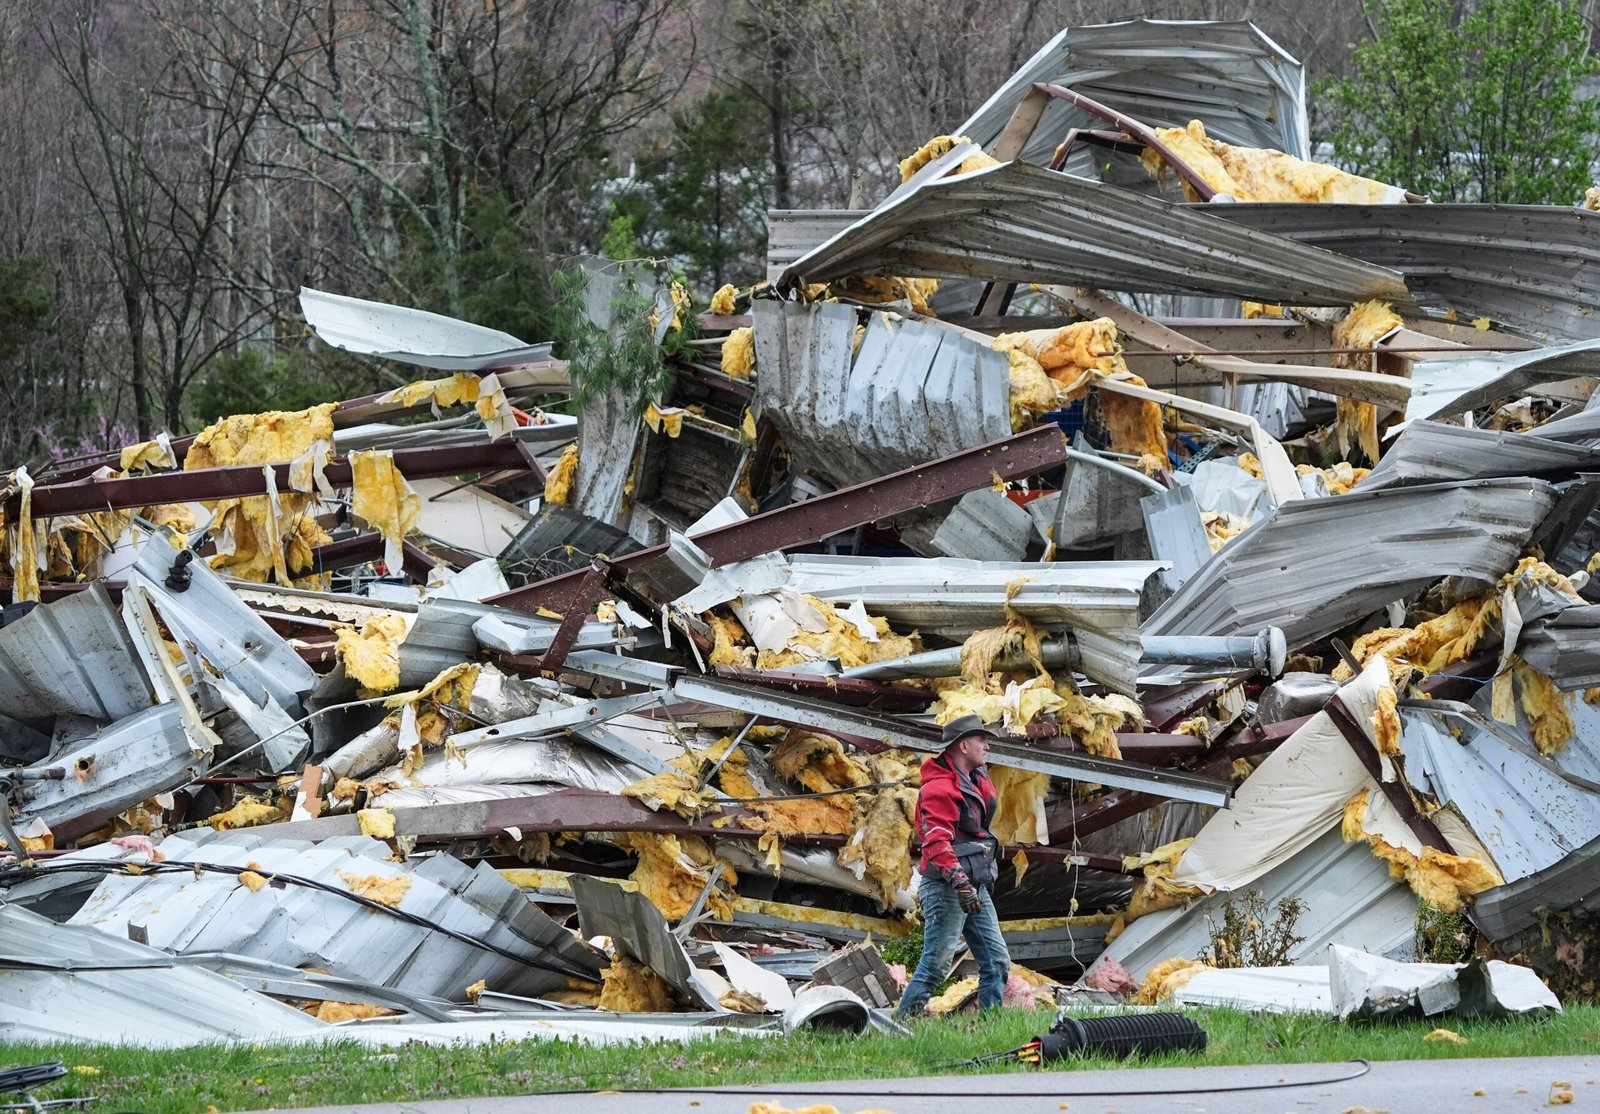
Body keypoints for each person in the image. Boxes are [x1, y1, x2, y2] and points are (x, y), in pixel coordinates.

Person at [894, 713, 1011, 1019]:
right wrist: (960, 883)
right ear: (963, 745)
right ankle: (900, 1026)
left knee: (997, 961)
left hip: (974, 884)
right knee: (936, 966)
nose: (987, 746)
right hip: (948, 887)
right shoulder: (939, 789)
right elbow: (935, 842)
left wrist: (971, 884)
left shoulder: (976, 777)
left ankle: (991, 1027)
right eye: (981, 740)